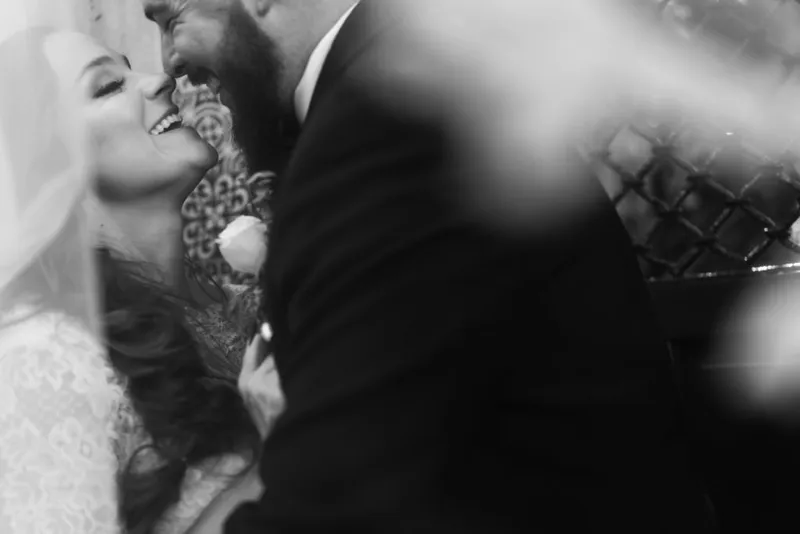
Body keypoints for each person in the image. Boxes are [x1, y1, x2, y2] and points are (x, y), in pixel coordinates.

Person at [144, 0, 713, 531]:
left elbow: (339, 497)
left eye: (172, 18)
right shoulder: (407, 75)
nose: (169, 65)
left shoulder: (376, 120)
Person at [0, 26, 282, 534]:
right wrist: (281, 458)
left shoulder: (231, 304)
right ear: (48, 163)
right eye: (108, 86)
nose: (159, 81)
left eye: (133, 69)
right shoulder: (46, 359)